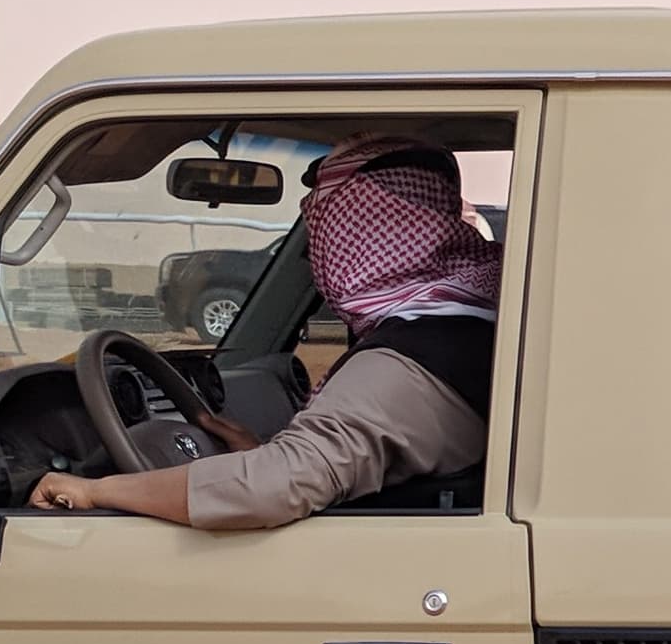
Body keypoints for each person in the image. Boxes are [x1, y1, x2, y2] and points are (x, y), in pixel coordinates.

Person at [30, 136, 499, 528]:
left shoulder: (411, 356)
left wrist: (94, 491)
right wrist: (261, 452)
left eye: (330, 227)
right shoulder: (474, 321)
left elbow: (277, 486)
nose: (321, 251)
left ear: (374, 229)